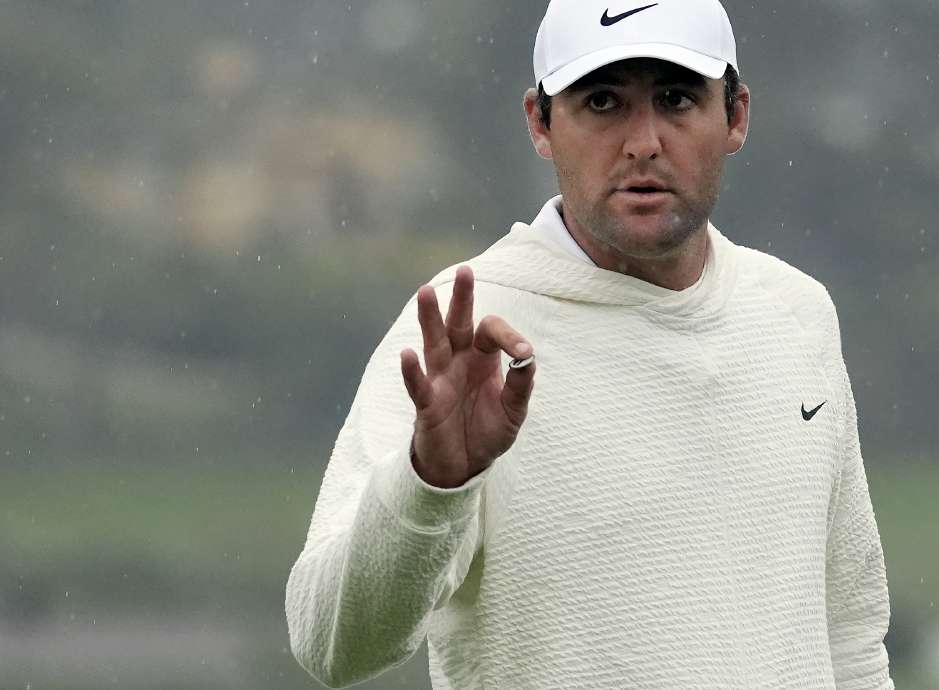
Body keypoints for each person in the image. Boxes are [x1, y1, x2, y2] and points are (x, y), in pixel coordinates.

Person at [285, 0, 894, 687]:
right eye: (603, 101)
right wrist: (432, 481)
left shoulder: (796, 314)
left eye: (676, 98)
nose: (643, 142)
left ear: (737, 115)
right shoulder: (466, 332)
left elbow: (850, 639)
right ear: (539, 123)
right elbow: (331, 645)